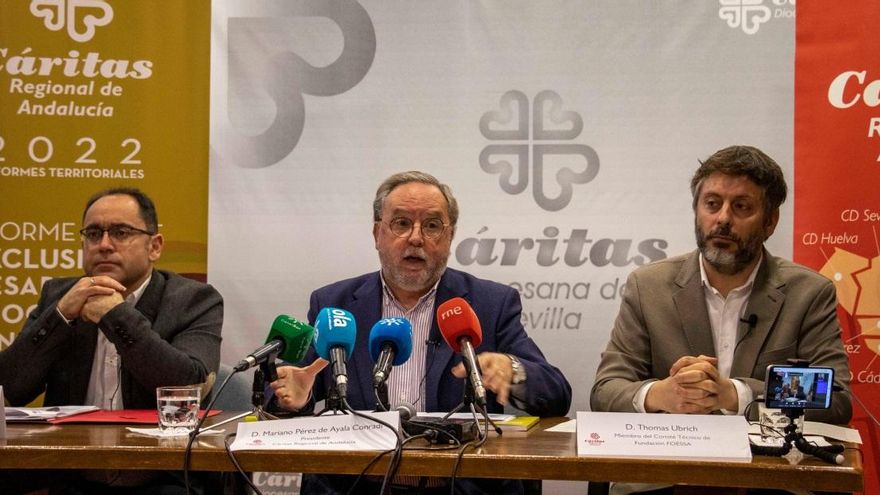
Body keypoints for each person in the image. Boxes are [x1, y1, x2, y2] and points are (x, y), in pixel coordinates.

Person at [269, 171, 572, 494]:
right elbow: (288, 392)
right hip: (357, 484)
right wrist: (294, 401)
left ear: (450, 236)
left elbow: (557, 394)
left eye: (431, 225)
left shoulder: (490, 304)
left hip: (456, 484)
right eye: (401, 223)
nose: (416, 238)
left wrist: (513, 371)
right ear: (377, 234)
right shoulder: (335, 304)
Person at [590, 145, 851, 425]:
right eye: (712, 204)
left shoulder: (808, 293)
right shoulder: (648, 287)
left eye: (741, 207)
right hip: (675, 462)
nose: (723, 219)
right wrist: (659, 394)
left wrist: (736, 394)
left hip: (764, 464)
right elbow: (605, 390)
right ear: (696, 210)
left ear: (770, 222)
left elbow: (835, 400)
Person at [0, 187, 223, 494]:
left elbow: (187, 387)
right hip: (72, 476)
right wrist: (61, 315)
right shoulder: (59, 296)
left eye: (120, 232)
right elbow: (8, 388)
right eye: (93, 234)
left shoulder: (194, 300)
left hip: (161, 476)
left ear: (154, 246)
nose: (104, 245)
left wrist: (116, 315)